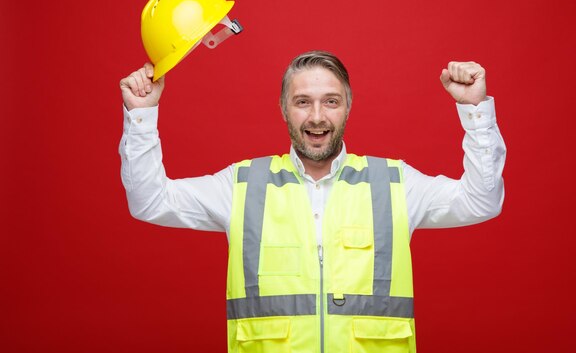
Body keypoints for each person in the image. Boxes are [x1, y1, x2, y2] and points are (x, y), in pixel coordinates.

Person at [119, 50, 506, 353]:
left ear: (348, 107)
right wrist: (142, 115)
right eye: (302, 101)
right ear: (284, 108)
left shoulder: (394, 182)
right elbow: (149, 200)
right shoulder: (241, 184)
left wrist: (474, 108)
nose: (317, 116)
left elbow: (481, 200)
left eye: (331, 102)